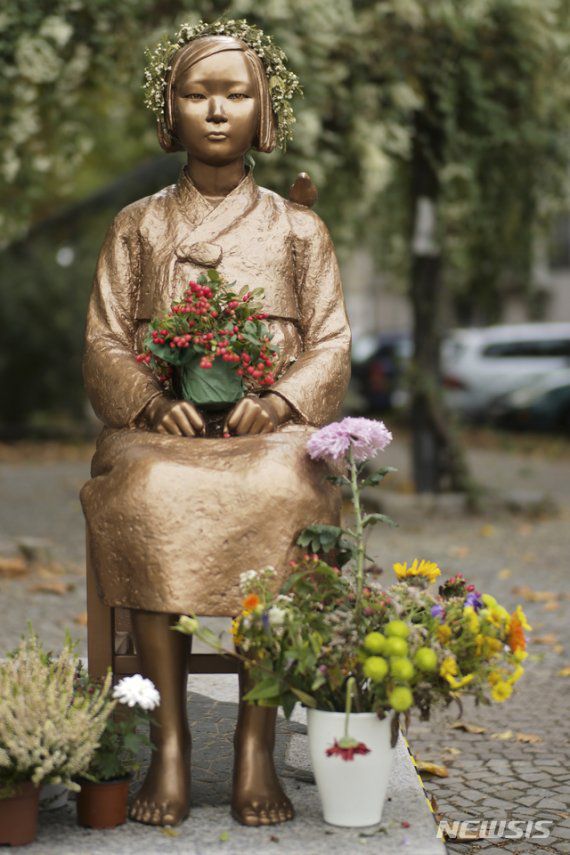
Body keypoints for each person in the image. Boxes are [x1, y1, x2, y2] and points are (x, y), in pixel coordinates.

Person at [81, 23, 351, 828]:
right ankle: (168, 743)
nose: (218, 111)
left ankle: (254, 737)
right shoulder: (137, 223)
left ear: (264, 109)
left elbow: (331, 338)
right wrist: (150, 398)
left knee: (283, 483)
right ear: (170, 112)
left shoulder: (300, 228)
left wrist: (278, 400)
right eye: (197, 95)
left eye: (235, 94)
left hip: (266, 430)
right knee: (151, 488)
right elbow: (101, 337)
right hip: (160, 430)